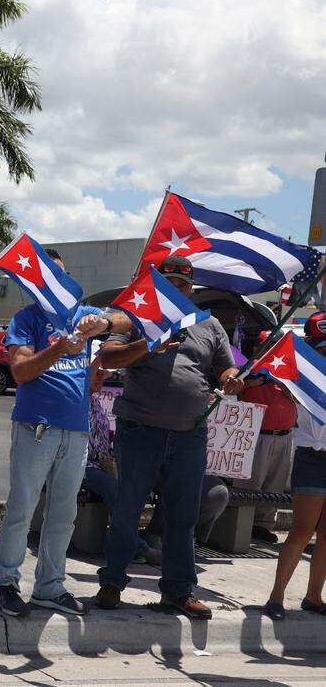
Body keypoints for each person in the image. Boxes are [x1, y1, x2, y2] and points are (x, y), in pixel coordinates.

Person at [95, 255, 244, 619]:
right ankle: (112, 582)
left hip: (190, 434)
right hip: (140, 430)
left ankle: (178, 591)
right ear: (159, 285)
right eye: (171, 283)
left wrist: (229, 378)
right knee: (127, 510)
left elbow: (226, 364)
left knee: (183, 517)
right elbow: (108, 357)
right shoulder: (134, 316)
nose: (178, 290)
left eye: (184, 285)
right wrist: (149, 346)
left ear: (191, 289)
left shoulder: (208, 324)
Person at [0, 248, 114, 618]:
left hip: (76, 430)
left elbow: (124, 321)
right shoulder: (26, 319)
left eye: (59, 275)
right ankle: (7, 583)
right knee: (22, 508)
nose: (54, 283)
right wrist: (61, 346)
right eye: (46, 277)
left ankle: (50, 586)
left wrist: (103, 330)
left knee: (64, 513)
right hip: (36, 426)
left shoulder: (85, 317)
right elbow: (21, 371)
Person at [263, 333, 326, 619]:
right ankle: (276, 596)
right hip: (312, 456)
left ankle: (314, 596)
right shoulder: (303, 380)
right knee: (302, 530)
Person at [82, 364, 161, 566]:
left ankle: (135, 540)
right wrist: (106, 461)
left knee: (134, 484)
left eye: (103, 375)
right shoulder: (79, 400)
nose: (102, 379)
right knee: (114, 488)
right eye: (97, 375)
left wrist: (110, 459)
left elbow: (102, 439)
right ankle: (137, 547)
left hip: (98, 463)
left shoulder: (95, 401)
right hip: (81, 464)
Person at [235, 327, 300, 544]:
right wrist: (255, 379)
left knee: (275, 484)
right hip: (256, 434)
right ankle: (241, 523)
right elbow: (234, 389)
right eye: (267, 346)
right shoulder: (247, 369)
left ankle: (263, 525)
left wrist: (282, 381)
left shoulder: (290, 372)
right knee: (251, 482)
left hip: (284, 434)